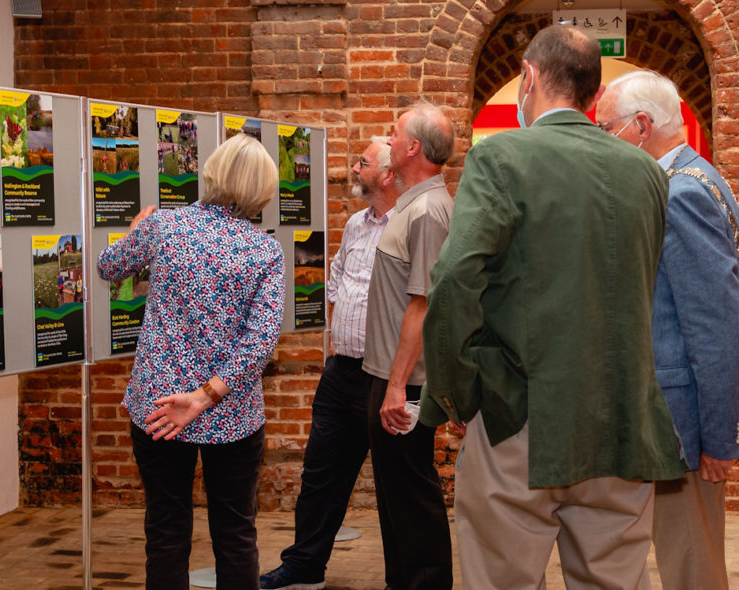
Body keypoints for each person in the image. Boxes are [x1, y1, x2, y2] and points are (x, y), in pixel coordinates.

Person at [420, 26, 687, 590]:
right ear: (594, 92)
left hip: (521, 413)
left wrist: (456, 393)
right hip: (620, 418)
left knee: (503, 579)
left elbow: (451, 280)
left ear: (529, 77)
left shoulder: (501, 158)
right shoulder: (645, 172)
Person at [96, 133, 284, 590]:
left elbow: (107, 267)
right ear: (263, 190)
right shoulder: (265, 251)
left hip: (159, 408)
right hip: (232, 412)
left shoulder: (164, 226)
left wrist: (135, 230)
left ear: (212, 171)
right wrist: (205, 397)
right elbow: (259, 342)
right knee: (237, 534)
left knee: (165, 530)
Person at [596, 70, 739, 590]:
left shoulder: (679, 194)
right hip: (673, 417)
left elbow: (714, 322)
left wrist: (719, 438)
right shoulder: (692, 178)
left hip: (682, 424)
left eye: (606, 129)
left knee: (691, 565)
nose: (603, 142)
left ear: (640, 126)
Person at [260, 139, 398, 590]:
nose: (352, 169)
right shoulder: (357, 223)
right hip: (341, 373)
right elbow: (337, 275)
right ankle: (304, 568)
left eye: (362, 162)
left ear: (388, 174)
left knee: (399, 487)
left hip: (388, 376)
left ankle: (408, 579)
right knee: (320, 476)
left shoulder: (412, 223)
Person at [362, 102, 455, 590]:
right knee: (396, 494)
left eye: (394, 134)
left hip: (406, 383)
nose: (389, 140)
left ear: (413, 147)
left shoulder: (429, 211)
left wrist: (397, 386)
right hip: (387, 376)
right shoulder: (412, 204)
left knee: (413, 495)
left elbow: (424, 306)